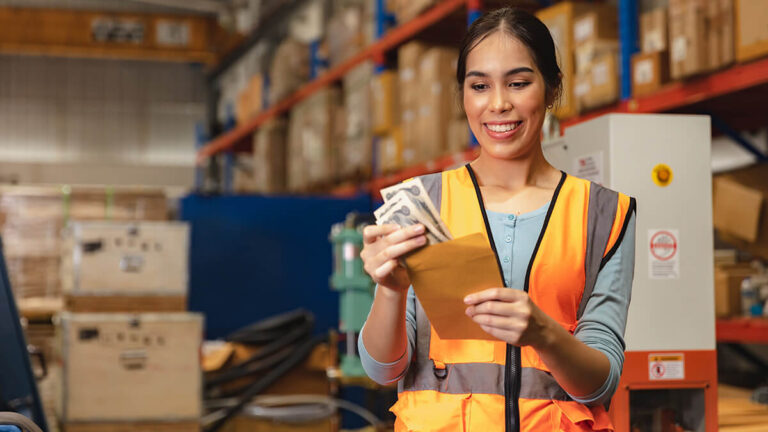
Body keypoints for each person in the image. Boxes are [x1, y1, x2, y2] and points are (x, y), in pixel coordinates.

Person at [358, 7, 637, 432]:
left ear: (552, 89)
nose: (498, 104)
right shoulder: (424, 203)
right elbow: (383, 371)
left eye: (519, 83)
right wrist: (390, 292)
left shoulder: (603, 214)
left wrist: (543, 332)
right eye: (480, 86)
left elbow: (599, 385)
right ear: (464, 97)